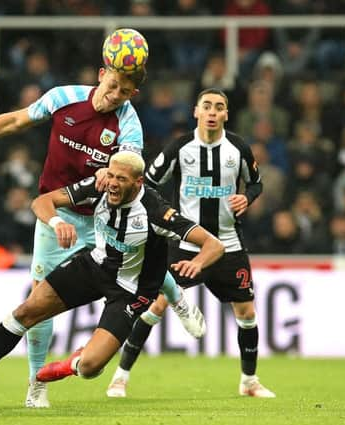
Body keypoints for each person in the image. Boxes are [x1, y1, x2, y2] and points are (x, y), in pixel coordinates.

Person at [0, 31, 204, 408]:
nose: (115, 96)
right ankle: (36, 384)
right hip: (58, 214)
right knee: (38, 299)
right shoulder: (63, 98)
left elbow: (118, 176)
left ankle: (177, 297)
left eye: (124, 92)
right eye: (112, 85)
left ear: (132, 95)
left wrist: (97, 184)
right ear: (101, 73)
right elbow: (15, 121)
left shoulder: (129, 126)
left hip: (103, 219)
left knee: (141, 255)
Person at [0, 151, 224, 409]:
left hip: (130, 291)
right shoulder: (99, 185)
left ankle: (73, 363)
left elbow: (214, 245)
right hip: (94, 266)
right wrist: (57, 221)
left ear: (138, 182)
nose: (113, 184)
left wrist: (196, 263)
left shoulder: (158, 213)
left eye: (122, 179)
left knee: (91, 367)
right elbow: (42, 201)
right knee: (25, 312)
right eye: (112, 175)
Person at [106, 88, 276, 399]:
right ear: (196, 112)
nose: (213, 112)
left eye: (220, 107)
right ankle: (120, 377)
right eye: (207, 106)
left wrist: (247, 198)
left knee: (247, 312)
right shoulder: (179, 147)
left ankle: (249, 381)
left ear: (226, 114)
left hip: (228, 244)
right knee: (154, 305)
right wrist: (165, 219)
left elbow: (257, 182)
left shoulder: (237, 148)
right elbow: (150, 184)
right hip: (186, 244)